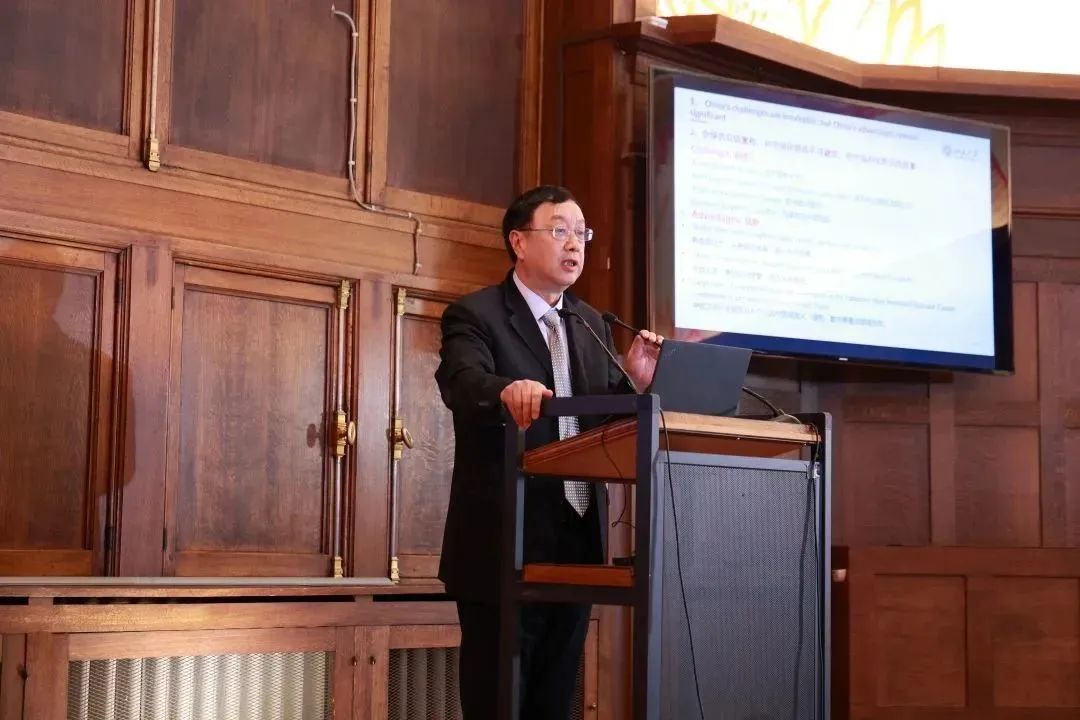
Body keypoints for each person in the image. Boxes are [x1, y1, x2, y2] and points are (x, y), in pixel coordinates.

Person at [435, 185, 663, 719]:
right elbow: (462, 383)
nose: (575, 244)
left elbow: (599, 425)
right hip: (504, 541)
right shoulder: (475, 314)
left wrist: (633, 382)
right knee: (498, 701)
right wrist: (504, 391)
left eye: (581, 233)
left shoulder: (589, 323)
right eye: (560, 230)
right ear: (518, 241)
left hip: (576, 544)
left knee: (554, 702)